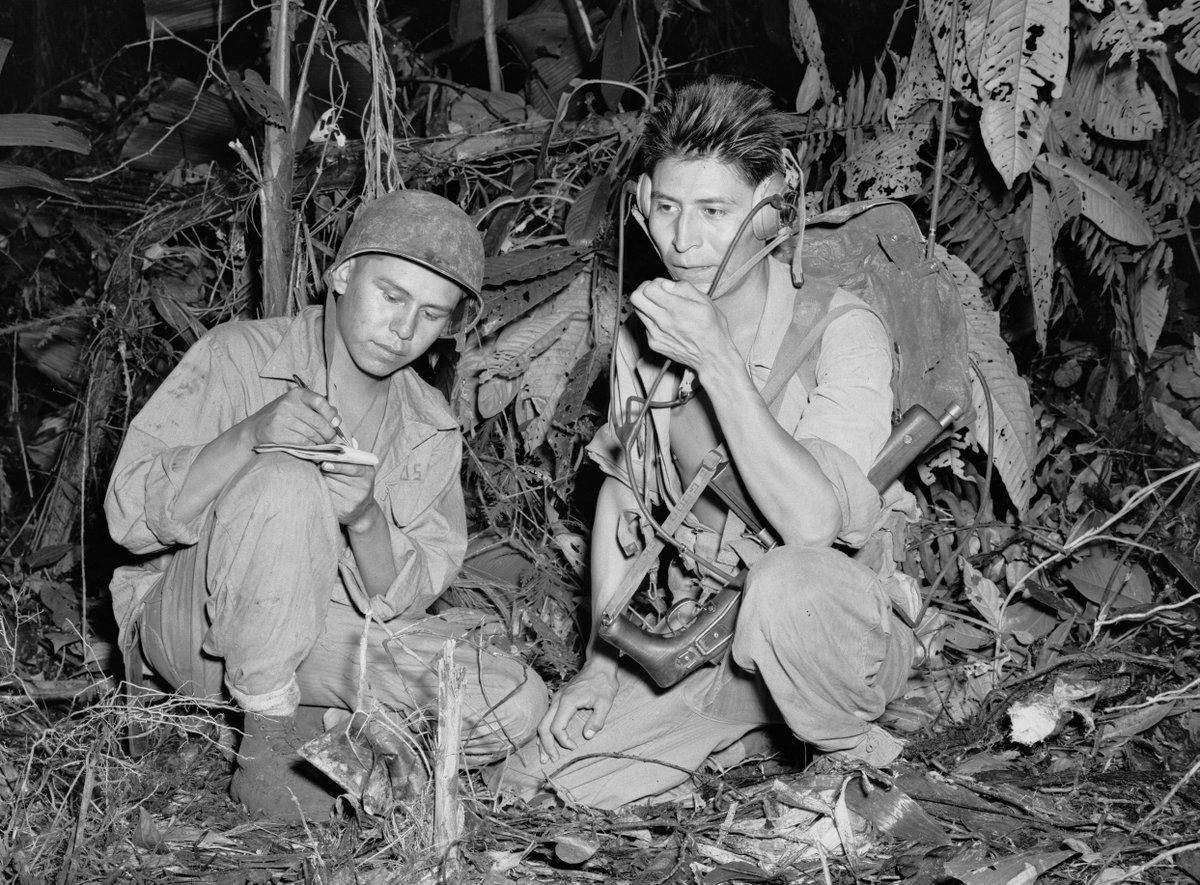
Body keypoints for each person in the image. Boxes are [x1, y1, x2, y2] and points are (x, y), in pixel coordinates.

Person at [488, 77, 921, 809]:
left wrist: (718, 360)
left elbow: (813, 524)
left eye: (714, 211)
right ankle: (756, 732)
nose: (683, 240)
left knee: (790, 584)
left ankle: (855, 765)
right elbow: (625, 496)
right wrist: (601, 660)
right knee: (548, 784)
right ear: (642, 204)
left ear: (770, 209)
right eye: (666, 208)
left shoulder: (840, 332)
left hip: (834, 632)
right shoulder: (644, 337)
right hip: (709, 631)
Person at [105, 190, 548, 821]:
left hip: (319, 639)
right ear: (342, 274)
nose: (403, 330)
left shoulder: (428, 425)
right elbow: (128, 518)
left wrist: (365, 519)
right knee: (286, 480)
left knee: (512, 702)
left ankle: (326, 730)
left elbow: (408, 598)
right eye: (390, 296)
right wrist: (250, 436)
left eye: (429, 314)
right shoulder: (238, 356)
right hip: (196, 631)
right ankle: (266, 751)